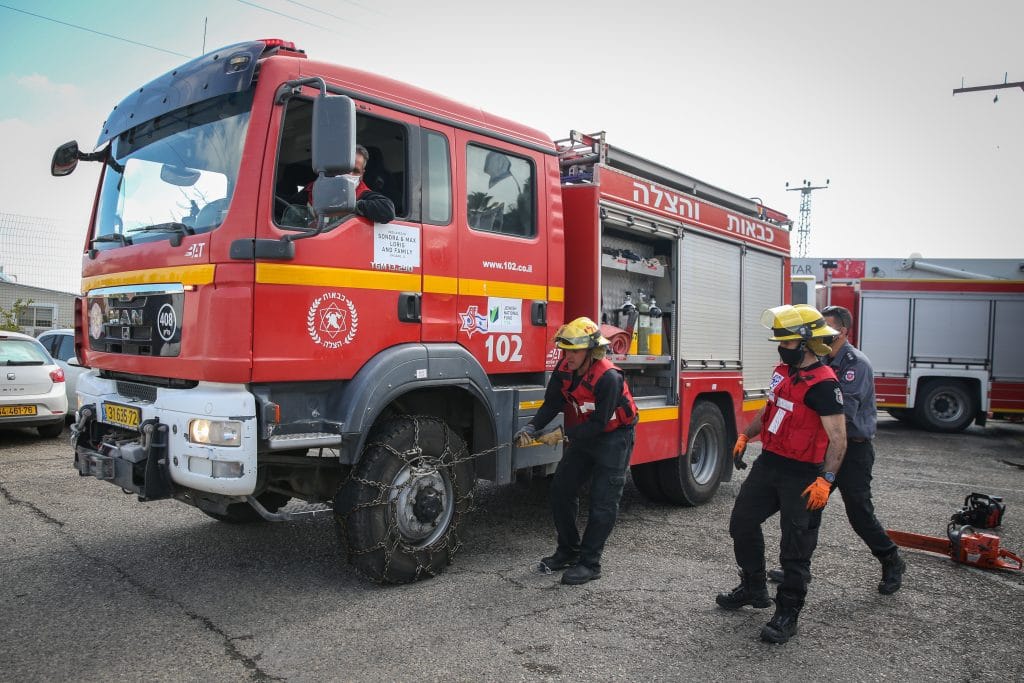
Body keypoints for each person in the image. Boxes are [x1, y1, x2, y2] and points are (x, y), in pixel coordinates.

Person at [716, 304, 847, 644]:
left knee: (796, 547)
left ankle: (787, 613)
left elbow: (838, 440)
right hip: (770, 463)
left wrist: (825, 480)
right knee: (741, 522)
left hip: (803, 474)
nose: (781, 347)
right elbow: (770, 407)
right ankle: (754, 587)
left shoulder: (824, 385)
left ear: (805, 344)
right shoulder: (782, 372)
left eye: (787, 343)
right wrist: (746, 435)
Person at [766, 305, 906, 593]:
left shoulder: (855, 363)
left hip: (852, 450)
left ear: (842, 331)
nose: (820, 333)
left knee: (859, 513)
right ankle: (799, 570)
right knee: (807, 510)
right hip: (822, 448)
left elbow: (844, 415)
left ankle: (891, 559)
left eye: (826, 327)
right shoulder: (816, 359)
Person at [515, 317, 638, 585]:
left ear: (591, 351)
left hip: (614, 438)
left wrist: (560, 435)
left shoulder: (609, 378)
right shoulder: (564, 370)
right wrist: (532, 427)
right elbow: (551, 405)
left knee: (603, 501)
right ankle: (568, 551)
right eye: (565, 349)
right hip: (586, 434)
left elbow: (599, 424)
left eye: (574, 350)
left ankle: (590, 563)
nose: (567, 356)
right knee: (561, 489)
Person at [303, 144, 395, 224]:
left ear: (362, 174)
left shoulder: (363, 194)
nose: (350, 174)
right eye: (346, 168)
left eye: (355, 171)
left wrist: (351, 205)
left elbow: (388, 210)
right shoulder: (313, 189)